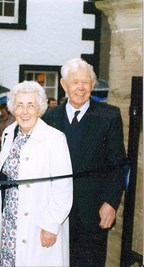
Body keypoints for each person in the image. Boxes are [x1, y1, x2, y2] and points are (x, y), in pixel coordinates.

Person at [42, 58, 127, 266]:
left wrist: (110, 202)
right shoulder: (50, 119)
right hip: (56, 214)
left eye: (86, 82)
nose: (81, 88)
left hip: (93, 212)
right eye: (75, 82)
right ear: (64, 85)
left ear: (92, 85)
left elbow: (117, 164)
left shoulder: (109, 116)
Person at [0, 81, 73, 266]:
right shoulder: (9, 134)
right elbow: (1, 173)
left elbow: (63, 187)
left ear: (39, 108)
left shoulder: (54, 139)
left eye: (30, 105)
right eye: (20, 105)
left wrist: (51, 225)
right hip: (9, 219)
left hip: (39, 222)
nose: (25, 111)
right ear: (13, 108)